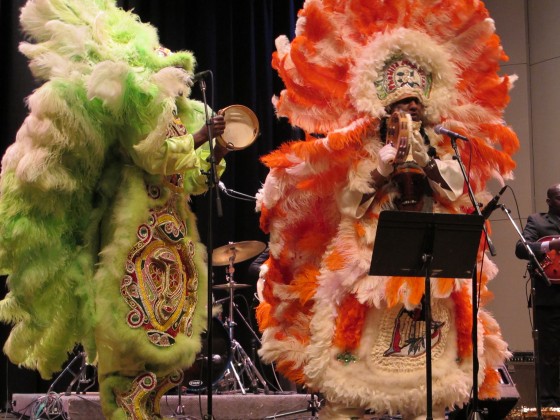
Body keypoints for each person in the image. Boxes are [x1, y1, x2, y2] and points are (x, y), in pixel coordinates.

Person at [255, 1, 519, 419]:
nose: (410, 110)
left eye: (416, 103)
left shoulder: (444, 144)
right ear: (385, 106)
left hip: (428, 267)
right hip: (370, 261)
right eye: (402, 104)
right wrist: (383, 167)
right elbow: (351, 203)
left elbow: (455, 192)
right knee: (349, 380)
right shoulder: (366, 146)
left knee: (425, 387)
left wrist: (426, 160)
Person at [0, 1, 233, 418]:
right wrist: (200, 136)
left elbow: (194, 179)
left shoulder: (182, 115)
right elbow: (153, 156)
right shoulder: (136, 108)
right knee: (129, 336)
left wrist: (217, 147)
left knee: (167, 349)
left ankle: (147, 407)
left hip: (174, 238)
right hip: (135, 235)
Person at [515, 183, 560, 408]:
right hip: (549, 297)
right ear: (549, 201)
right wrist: (551, 244)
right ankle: (549, 404)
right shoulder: (538, 221)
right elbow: (521, 248)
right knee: (549, 354)